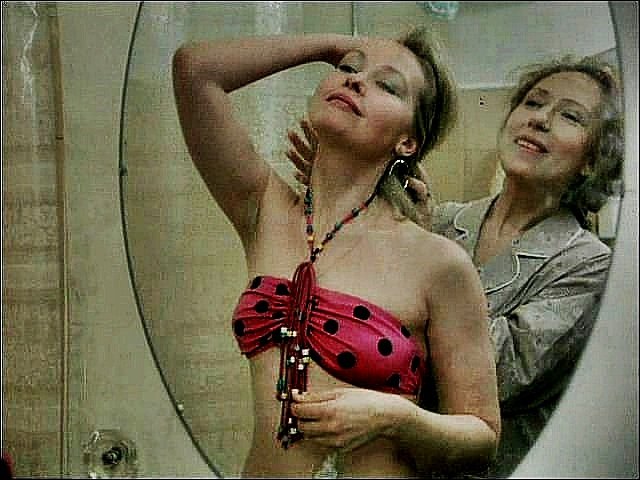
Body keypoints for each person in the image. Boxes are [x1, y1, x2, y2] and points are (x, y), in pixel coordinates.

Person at [172, 28, 500, 478]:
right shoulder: (265, 210)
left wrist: (396, 418)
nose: (356, 80)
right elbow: (194, 71)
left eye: (387, 85)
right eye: (348, 68)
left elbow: (483, 439)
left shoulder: (438, 262)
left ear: (408, 142)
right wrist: (331, 45)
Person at [287, 54, 623, 478]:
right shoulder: (443, 220)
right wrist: (350, 192)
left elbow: (497, 374)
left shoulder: (589, 267)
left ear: (594, 159)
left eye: (569, 116)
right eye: (533, 103)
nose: (539, 119)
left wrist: (402, 238)